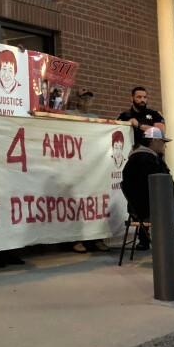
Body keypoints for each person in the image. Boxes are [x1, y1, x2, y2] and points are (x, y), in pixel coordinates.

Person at [120, 127, 174, 262]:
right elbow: (156, 193)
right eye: (163, 141)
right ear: (154, 141)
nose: (165, 145)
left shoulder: (149, 158)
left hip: (157, 206)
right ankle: (169, 256)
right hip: (151, 210)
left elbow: (167, 192)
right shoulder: (143, 160)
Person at [65, 89, 110, 253]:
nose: (87, 102)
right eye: (84, 99)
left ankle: (97, 238)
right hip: (75, 164)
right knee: (78, 203)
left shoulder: (95, 118)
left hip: (93, 166)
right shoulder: (68, 114)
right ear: (77, 100)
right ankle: (77, 239)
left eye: (90, 99)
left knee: (96, 203)